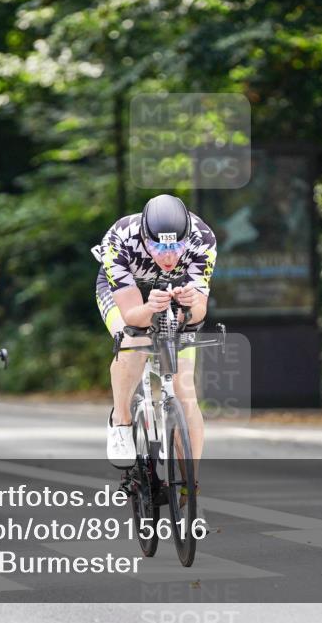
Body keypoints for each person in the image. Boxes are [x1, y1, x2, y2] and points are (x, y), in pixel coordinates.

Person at [93, 194, 217, 474]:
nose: (169, 255)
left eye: (176, 246)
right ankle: (121, 420)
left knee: (186, 395)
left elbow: (199, 313)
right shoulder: (119, 237)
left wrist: (190, 303)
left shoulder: (203, 238)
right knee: (135, 339)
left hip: (174, 291)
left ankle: (191, 486)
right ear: (144, 238)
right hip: (126, 293)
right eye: (159, 246)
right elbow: (132, 316)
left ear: (188, 237)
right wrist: (149, 307)